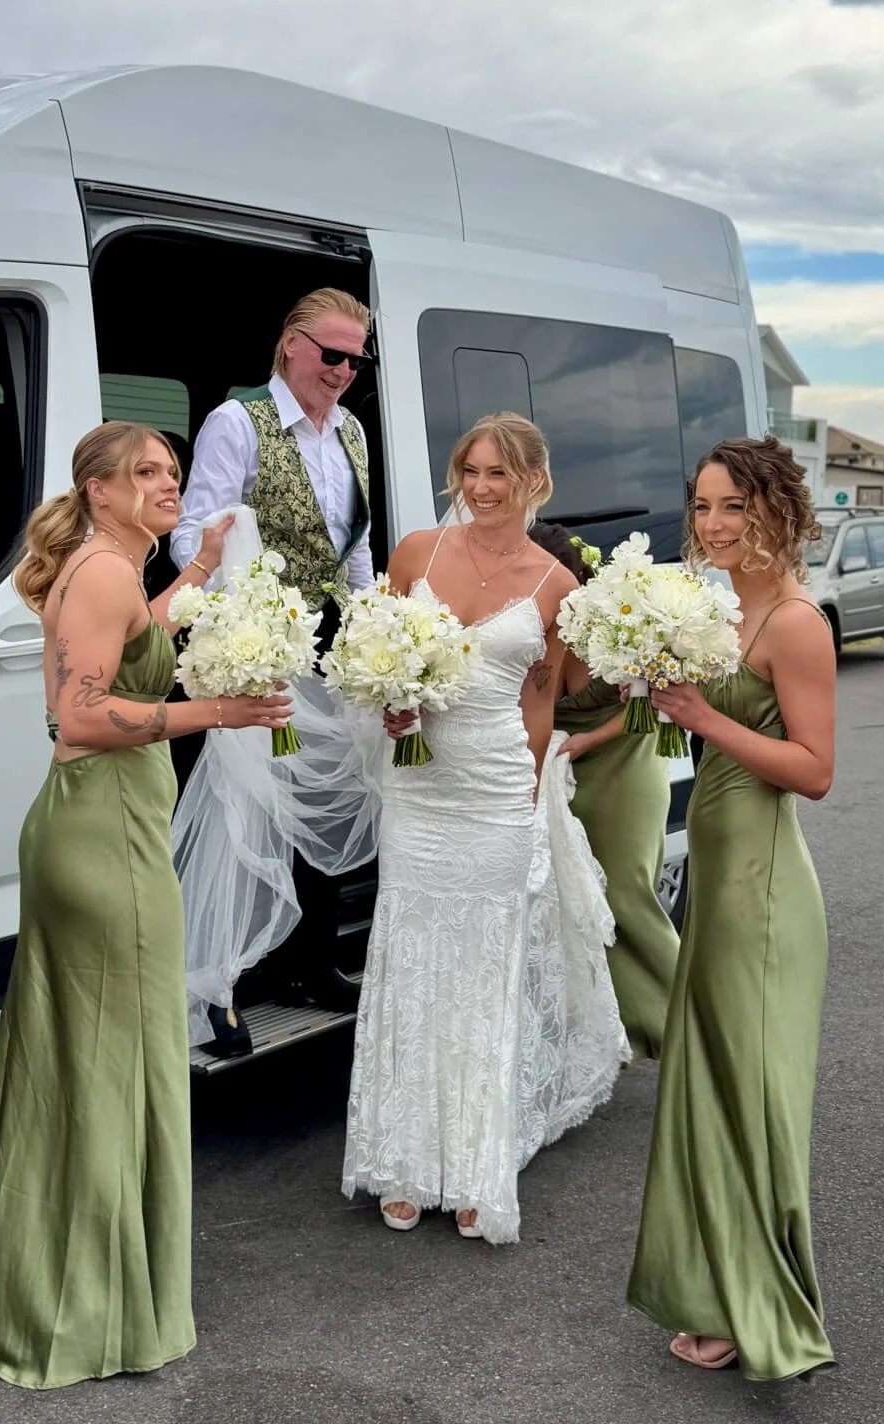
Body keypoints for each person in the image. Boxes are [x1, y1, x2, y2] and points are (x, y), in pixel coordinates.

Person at [0, 422, 291, 1390]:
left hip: (92, 826)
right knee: (112, 1062)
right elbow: (81, 715)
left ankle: (53, 1282)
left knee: (81, 1058)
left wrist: (204, 569)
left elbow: (139, 629)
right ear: (99, 490)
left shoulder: (108, 568)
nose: (167, 482)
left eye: (173, 470)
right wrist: (216, 712)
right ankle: (92, 1308)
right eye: (146, 472)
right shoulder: (101, 570)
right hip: (104, 835)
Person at [343, 413, 629, 1244]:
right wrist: (387, 707)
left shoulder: (556, 586)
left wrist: (532, 789)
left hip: (499, 790)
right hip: (419, 791)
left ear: (533, 480)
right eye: (468, 470)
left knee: (484, 972)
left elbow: (546, 698)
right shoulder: (414, 554)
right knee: (412, 959)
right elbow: (371, 662)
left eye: (497, 473)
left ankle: (475, 1162)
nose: (478, 487)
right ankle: (402, 1157)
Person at [627, 436, 836, 1381]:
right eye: (703, 506)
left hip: (764, 896)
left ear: (775, 511)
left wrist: (706, 719)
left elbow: (815, 770)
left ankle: (760, 1308)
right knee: (708, 1089)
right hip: (717, 881)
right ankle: (713, 1293)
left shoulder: (794, 621)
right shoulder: (719, 604)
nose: (711, 525)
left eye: (733, 508)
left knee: (747, 1097)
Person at [172, 288, 375, 1034]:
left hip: (327, 643)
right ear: (291, 344)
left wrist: (370, 624)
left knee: (314, 799)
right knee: (243, 806)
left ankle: (309, 962)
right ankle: (215, 984)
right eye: (332, 354)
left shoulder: (351, 431)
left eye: (356, 359)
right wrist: (244, 621)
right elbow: (194, 532)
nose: (343, 370)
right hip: (254, 642)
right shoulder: (238, 421)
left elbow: (354, 544)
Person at [531, 523, 679, 1060]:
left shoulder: (613, 624)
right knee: (575, 908)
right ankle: (613, 1036)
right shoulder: (528, 630)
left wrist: (588, 739)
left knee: (626, 898)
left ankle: (684, 1030)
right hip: (561, 779)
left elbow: (655, 705)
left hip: (625, 766)